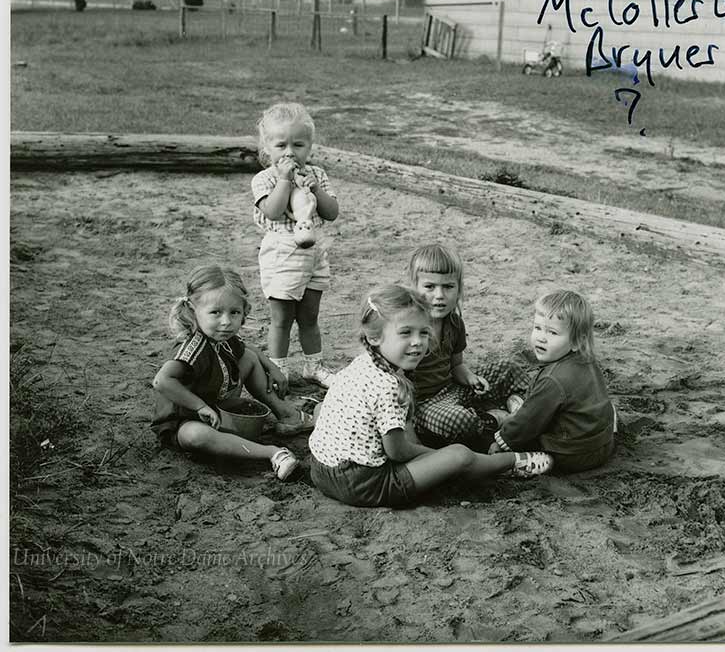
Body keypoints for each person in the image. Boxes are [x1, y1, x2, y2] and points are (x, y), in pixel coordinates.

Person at [308, 284, 553, 508]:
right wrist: (436, 456)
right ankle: (512, 463)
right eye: (405, 333)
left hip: (321, 469)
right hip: (364, 484)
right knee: (459, 455)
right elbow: (397, 452)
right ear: (374, 337)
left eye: (424, 333)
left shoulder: (362, 363)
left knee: (325, 411)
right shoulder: (388, 385)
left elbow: (398, 428)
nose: (418, 343)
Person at [150, 265, 305, 480]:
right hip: (185, 420)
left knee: (249, 358)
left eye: (234, 313)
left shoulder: (221, 335)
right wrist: (200, 407)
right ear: (194, 311)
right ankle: (272, 453)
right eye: (215, 312)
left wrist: (272, 367)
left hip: (215, 403)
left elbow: (248, 349)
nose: (226, 322)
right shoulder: (193, 348)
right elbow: (162, 381)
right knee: (196, 435)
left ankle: (286, 415)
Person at [406, 244, 532, 449]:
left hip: (452, 389)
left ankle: (521, 406)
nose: (439, 295)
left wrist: (471, 378)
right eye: (430, 287)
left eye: (448, 287)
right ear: (415, 288)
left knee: (507, 368)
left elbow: (456, 366)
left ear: (458, 289)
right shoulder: (410, 329)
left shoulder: (454, 323)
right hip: (425, 406)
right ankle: (494, 419)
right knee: (459, 421)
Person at [251, 102, 339, 389]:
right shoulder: (264, 179)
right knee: (282, 320)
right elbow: (273, 211)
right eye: (281, 145)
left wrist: (314, 188)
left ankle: (313, 366)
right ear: (268, 148)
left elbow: (331, 212)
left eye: (298, 144)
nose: (290, 152)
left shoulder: (318, 175)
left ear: (309, 147)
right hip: (281, 255)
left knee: (310, 316)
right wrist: (285, 181)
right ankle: (279, 371)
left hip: (314, 254)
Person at [489, 290, 617, 474]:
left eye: (553, 332)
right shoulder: (587, 359)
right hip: (603, 443)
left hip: (571, 454)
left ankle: (528, 462)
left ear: (576, 342)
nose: (541, 337)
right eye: (538, 328)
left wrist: (503, 440)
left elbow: (528, 422)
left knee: (525, 422)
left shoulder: (553, 379)